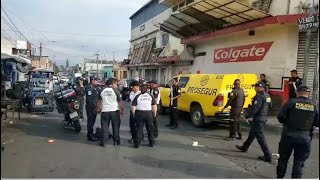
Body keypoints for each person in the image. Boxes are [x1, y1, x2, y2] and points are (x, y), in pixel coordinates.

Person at [276, 85, 319, 178]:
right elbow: (318, 122)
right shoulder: (314, 105)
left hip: (288, 135)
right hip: (305, 137)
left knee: (283, 159)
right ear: (309, 94)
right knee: (299, 161)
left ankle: (280, 177)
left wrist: (287, 122)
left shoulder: (291, 102)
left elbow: (280, 116)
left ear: (297, 92)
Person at [236, 82, 272, 162]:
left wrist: (247, 116)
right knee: (252, 133)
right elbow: (270, 106)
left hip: (258, 119)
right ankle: (245, 147)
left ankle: (268, 155)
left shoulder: (259, 96)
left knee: (260, 138)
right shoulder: (267, 95)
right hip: (263, 118)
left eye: (256, 87)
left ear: (261, 87)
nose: (254, 88)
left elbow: (255, 109)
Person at [99, 78, 124, 146]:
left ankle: (103, 141)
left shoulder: (102, 90)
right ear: (113, 83)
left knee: (104, 126)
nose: (117, 85)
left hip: (105, 111)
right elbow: (120, 101)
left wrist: (99, 109)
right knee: (115, 126)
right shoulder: (116, 90)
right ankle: (116, 141)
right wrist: (122, 110)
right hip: (114, 111)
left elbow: (99, 101)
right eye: (116, 84)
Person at [131, 83, 157, 148]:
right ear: (147, 89)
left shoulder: (138, 96)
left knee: (139, 129)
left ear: (140, 89)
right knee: (150, 129)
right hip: (148, 113)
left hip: (139, 113)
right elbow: (154, 107)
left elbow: (133, 107)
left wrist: (134, 114)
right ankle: (151, 143)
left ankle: (137, 143)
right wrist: (154, 115)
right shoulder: (150, 96)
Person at [85, 76, 102, 141]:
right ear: (92, 81)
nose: (97, 81)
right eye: (96, 80)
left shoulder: (96, 87)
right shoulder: (89, 87)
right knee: (90, 121)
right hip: (91, 107)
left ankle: (91, 133)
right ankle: (90, 135)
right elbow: (90, 100)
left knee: (93, 120)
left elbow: (100, 93)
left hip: (94, 106)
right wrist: (96, 107)